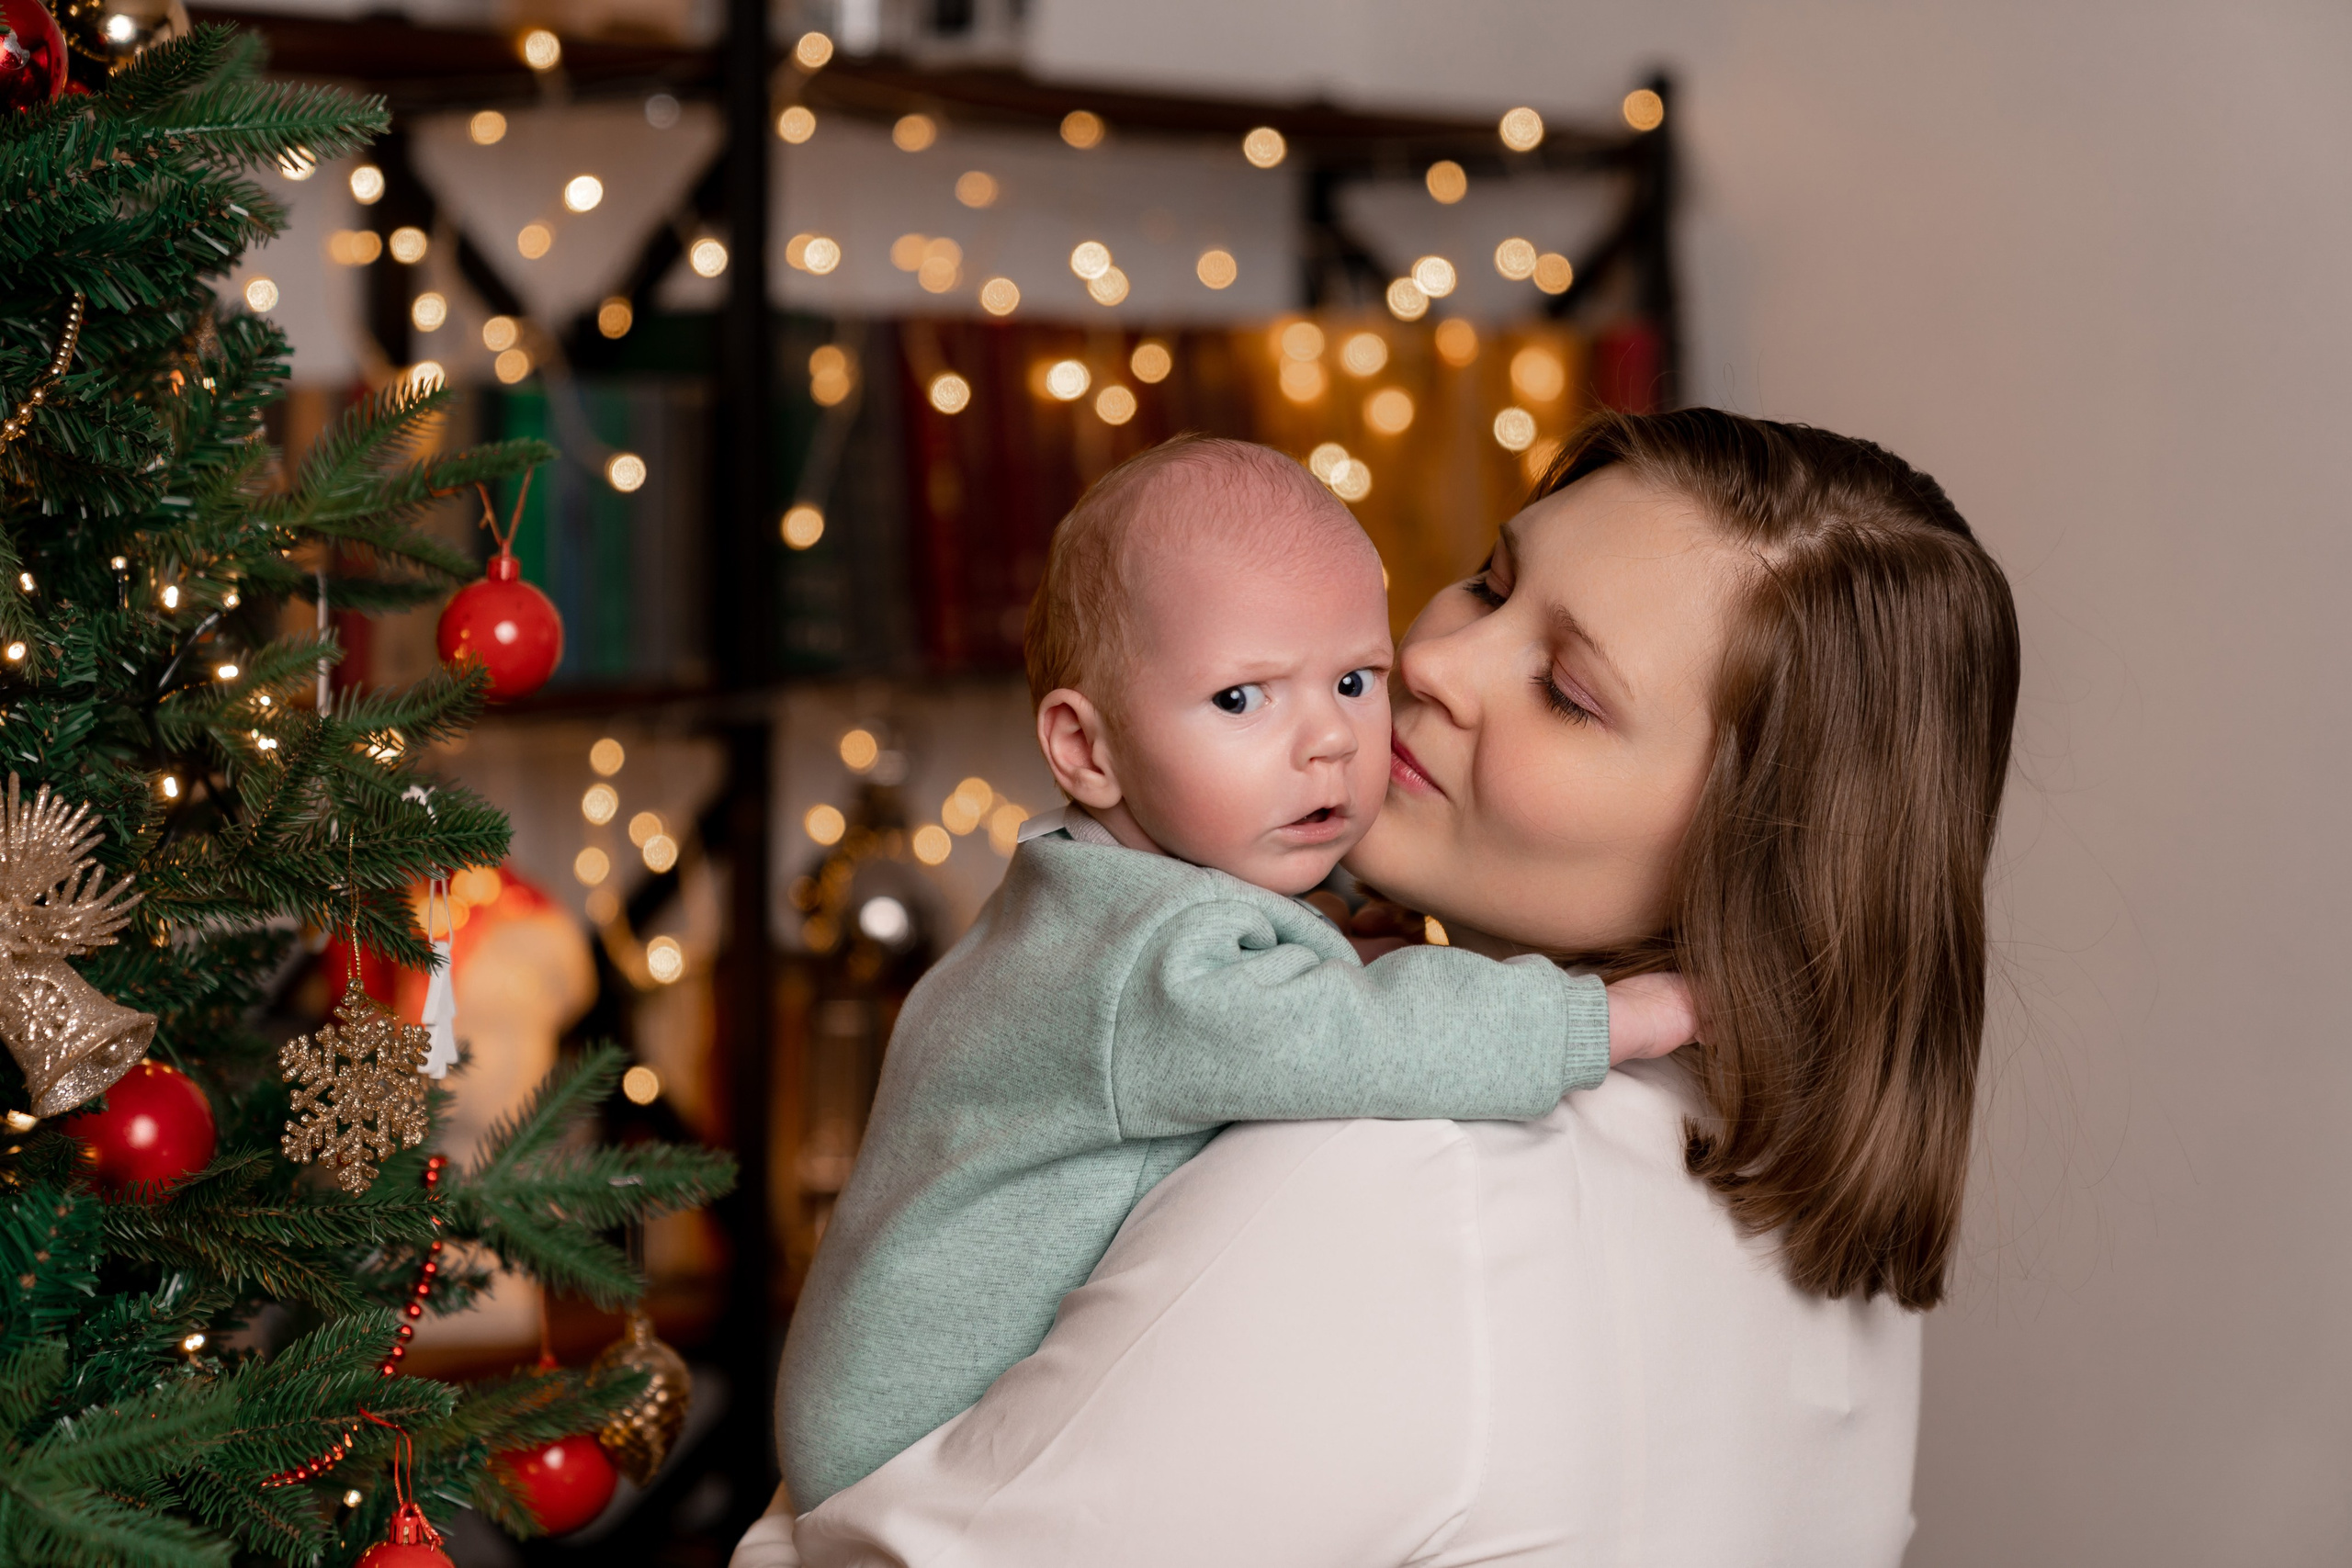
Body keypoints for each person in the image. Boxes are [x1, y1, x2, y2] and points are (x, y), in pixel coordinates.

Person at [736, 408, 2019, 1567]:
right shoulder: (1801, 1197)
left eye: (1568, 693)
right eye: (1489, 582)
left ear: (1763, 841)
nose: (1435, 666)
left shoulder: (1401, 1173)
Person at [776, 435, 1697, 1511]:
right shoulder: (1146, 958)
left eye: (1354, 681)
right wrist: (1612, 1019)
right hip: (909, 1434)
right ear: (1087, 750)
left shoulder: (1099, 897)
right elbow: (1363, 1040)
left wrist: (1337, 927)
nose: (1326, 743)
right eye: (1240, 700)